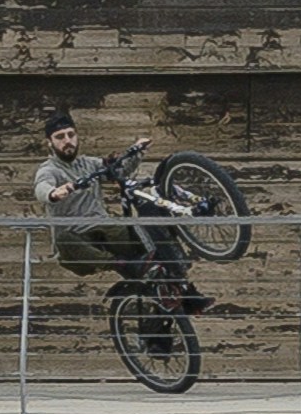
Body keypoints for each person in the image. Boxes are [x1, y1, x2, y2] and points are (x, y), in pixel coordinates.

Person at [35, 112, 205, 308]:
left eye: (71, 134)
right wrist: (53, 193)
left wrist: (137, 152)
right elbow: (41, 186)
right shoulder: (49, 170)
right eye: (60, 137)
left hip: (104, 231)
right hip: (78, 245)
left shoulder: (89, 164)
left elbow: (118, 171)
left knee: (143, 223)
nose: (67, 141)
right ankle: (123, 264)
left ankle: (182, 286)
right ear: (49, 143)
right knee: (63, 238)